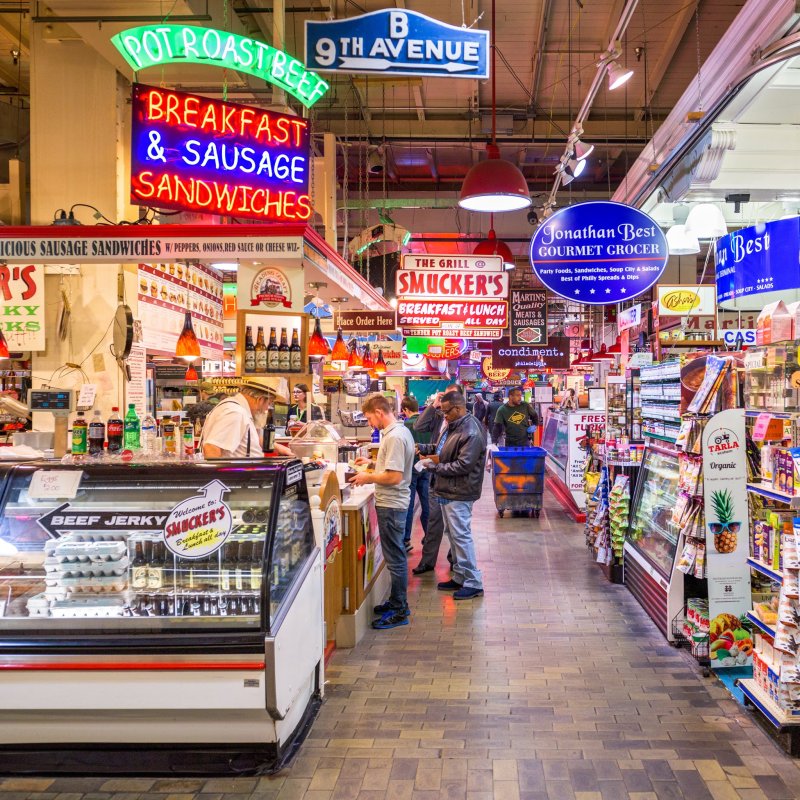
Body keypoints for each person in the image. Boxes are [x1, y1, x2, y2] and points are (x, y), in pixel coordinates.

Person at [351, 393, 415, 630]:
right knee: (394, 557)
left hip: (392, 504)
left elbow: (394, 476)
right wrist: (370, 465)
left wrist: (368, 477)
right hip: (392, 504)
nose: (369, 423)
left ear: (379, 412)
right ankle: (396, 602)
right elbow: (390, 467)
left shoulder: (395, 437)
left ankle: (400, 610)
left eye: (369, 418)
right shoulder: (397, 432)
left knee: (396, 559)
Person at [418, 390, 487, 600]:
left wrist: (432, 467)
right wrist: (421, 448)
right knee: (454, 536)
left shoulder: (471, 432)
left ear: (458, 408)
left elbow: (463, 465)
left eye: (447, 412)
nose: (444, 416)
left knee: (461, 536)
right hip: (449, 490)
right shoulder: (454, 426)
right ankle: (459, 576)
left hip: (460, 491)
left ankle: (473, 582)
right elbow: (442, 451)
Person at [411, 384, 462, 575]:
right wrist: (434, 405)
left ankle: (454, 560)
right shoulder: (440, 415)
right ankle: (428, 561)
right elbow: (418, 425)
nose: (445, 405)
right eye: (444, 398)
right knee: (434, 521)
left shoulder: (464, 423)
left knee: (454, 525)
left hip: (453, 480)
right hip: (435, 475)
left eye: (449, 399)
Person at [201, 377, 293, 458]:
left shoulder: (242, 410)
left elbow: (254, 438)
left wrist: (279, 448)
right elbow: (211, 448)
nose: (267, 409)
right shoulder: (235, 413)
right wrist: (222, 477)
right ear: (260, 400)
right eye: (269, 403)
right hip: (236, 476)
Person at [401, 396, 431, 554]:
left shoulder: (406, 424)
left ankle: (406, 539)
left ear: (405, 410)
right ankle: (429, 536)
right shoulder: (427, 422)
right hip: (426, 466)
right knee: (427, 503)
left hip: (411, 468)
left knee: (409, 504)